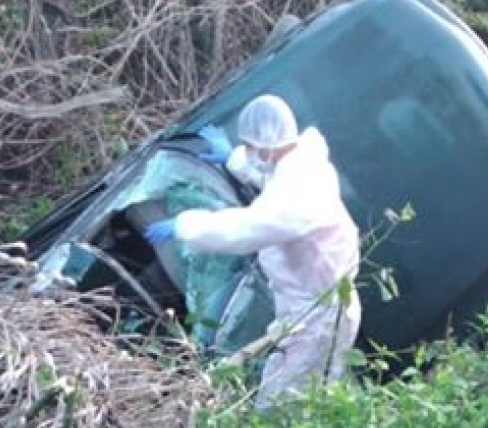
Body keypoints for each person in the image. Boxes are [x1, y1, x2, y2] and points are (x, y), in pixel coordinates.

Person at [144, 94, 361, 408]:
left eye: (250, 146)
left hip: (318, 315)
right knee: (305, 397)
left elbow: (247, 228)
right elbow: (271, 180)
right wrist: (235, 159)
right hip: (313, 305)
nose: (248, 152)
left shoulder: (298, 197)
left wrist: (185, 226)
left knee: (280, 406)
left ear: (268, 145)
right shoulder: (299, 165)